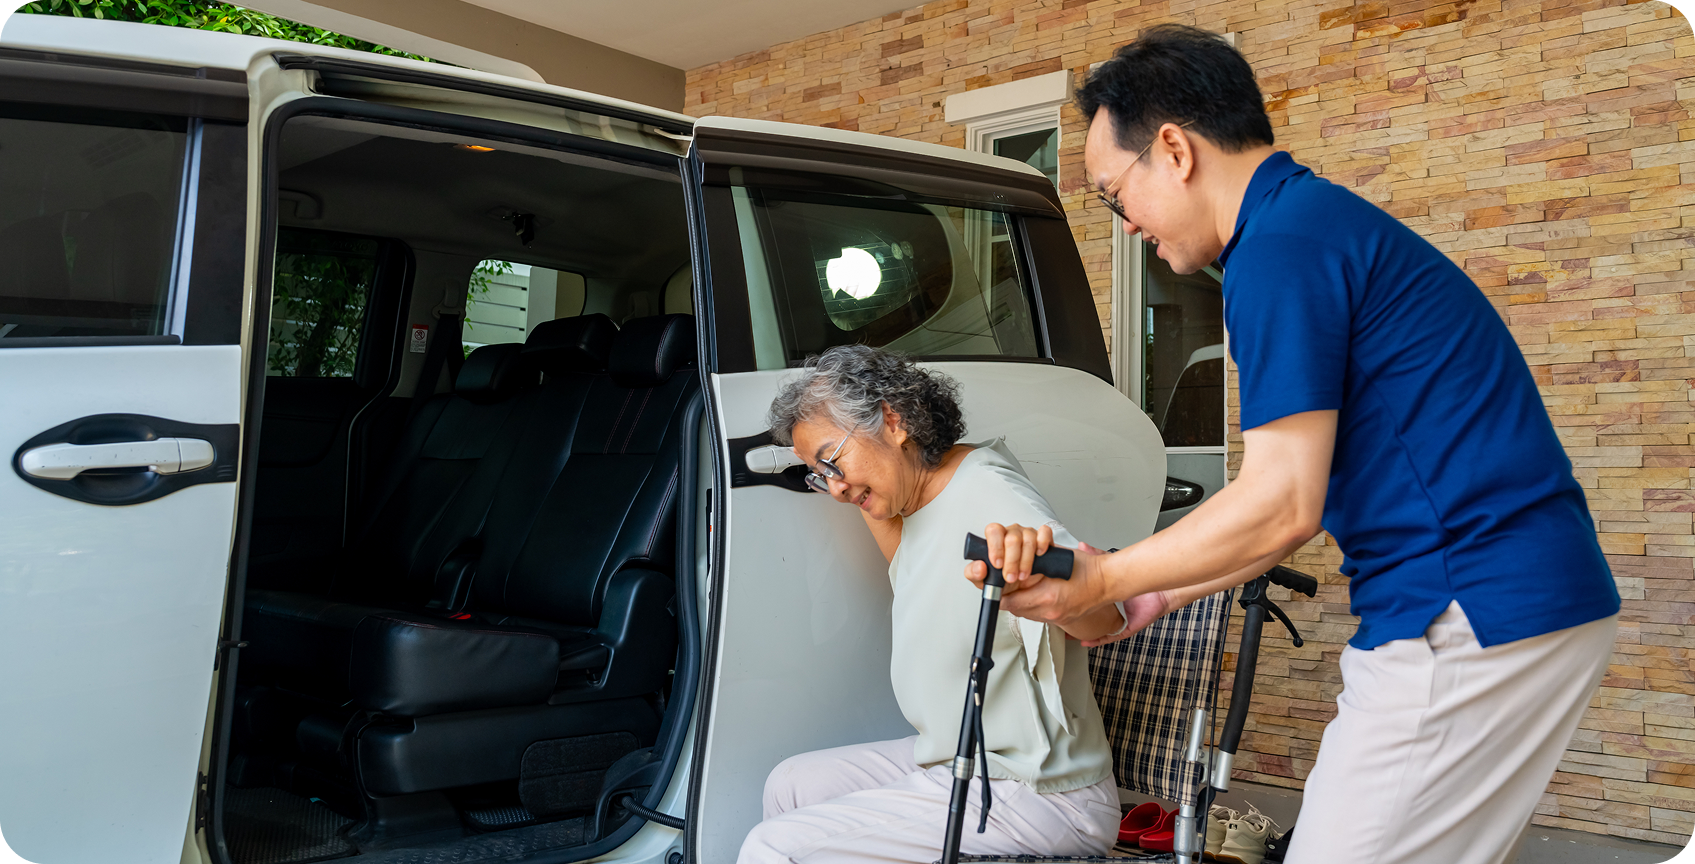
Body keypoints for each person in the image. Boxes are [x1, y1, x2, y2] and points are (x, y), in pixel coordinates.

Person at [972, 24, 1621, 864]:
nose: (1123, 225)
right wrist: (1150, 597)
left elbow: (1281, 503)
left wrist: (1106, 576)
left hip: (1466, 608)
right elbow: (1286, 505)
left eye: (1110, 193)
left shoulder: (1278, 251)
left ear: (1172, 149)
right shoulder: (1310, 226)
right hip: (1515, 600)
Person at [737, 345, 1128, 864]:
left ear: (894, 421)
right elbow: (892, 522)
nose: (832, 489)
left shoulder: (989, 488)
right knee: (791, 785)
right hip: (955, 756)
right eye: (817, 473)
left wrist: (1042, 574)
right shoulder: (912, 504)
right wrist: (852, 478)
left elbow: (1107, 617)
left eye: (832, 460)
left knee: (774, 848)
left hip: (1042, 790)